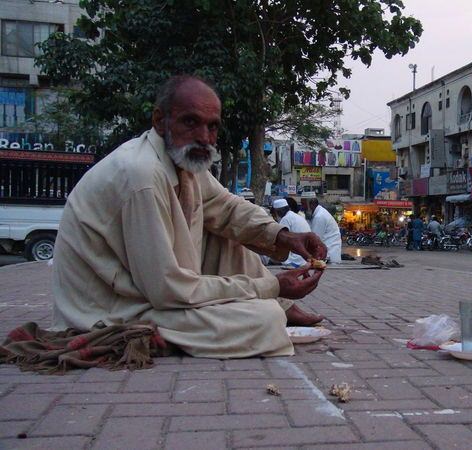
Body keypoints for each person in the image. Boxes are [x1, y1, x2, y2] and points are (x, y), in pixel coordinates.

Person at [52, 75, 327, 359]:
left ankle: (280, 304)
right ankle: (275, 305)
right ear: (160, 121)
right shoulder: (142, 175)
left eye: (212, 127)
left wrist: (284, 236)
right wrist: (272, 285)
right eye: (190, 122)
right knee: (265, 320)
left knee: (230, 234)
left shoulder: (183, 161)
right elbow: (166, 289)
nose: (204, 138)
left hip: (153, 289)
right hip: (111, 305)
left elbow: (227, 208)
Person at [272, 198, 313, 268]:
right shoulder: (296, 216)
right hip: (305, 255)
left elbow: (282, 241)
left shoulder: (285, 219)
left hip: (295, 259)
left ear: (278, 212)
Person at [301, 196, 342, 263]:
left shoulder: (319, 216)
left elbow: (314, 240)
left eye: (304, 205)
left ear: (312, 205)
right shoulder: (317, 214)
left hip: (329, 256)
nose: (303, 209)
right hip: (327, 254)